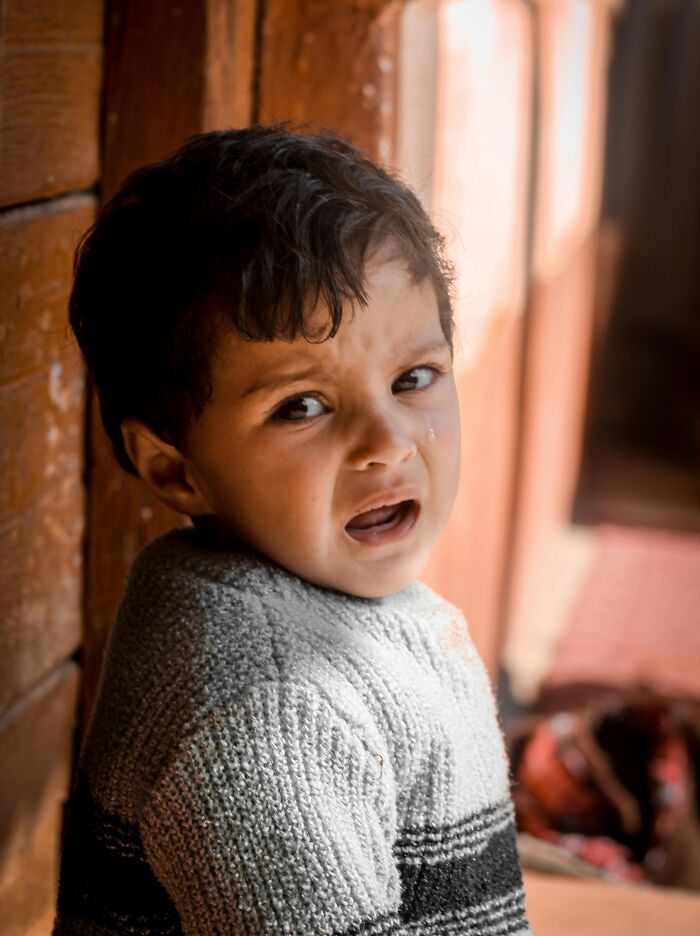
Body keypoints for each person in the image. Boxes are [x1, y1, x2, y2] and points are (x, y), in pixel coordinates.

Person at [53, 126, 531, 936]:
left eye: (414, 378)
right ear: (174, 470)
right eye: (301, 406)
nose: (388, 442)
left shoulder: (314, 599)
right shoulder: (265, 723)